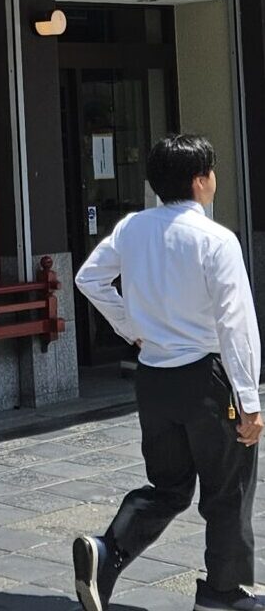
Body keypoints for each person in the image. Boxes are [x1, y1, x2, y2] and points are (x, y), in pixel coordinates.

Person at [72, 134, 263, 611]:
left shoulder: (132, 228)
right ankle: (223, 593)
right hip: (208, 376)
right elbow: (235, 324)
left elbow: (88, 278)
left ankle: (107, 550)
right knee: (227, 489)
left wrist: (130, 326)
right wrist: (251, 400)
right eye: (212, 172)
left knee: (169, 485)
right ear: (201, 181)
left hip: (153, 376)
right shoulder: (216, 240)